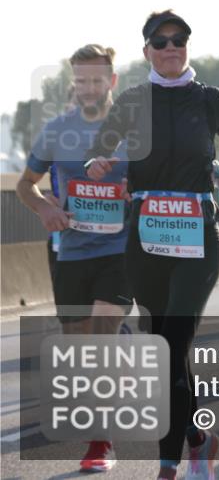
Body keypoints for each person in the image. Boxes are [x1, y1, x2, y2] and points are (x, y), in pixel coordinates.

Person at [85, 11, 219, 480]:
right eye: (161, 41)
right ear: (147, 51)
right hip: (147, 237)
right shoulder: (133, 100)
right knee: (165, 349)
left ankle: (167, 467)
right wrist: (98, 162)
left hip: (198, 234)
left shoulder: (210, 97)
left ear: (187, 46)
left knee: (170, 346)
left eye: (180, 40)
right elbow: (102, 143)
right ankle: (197, 438)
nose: (171, 47)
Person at [17, 44, 132, 473]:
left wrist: (136, 190)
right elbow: (25, 184)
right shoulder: (56, 130)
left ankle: (101, 442)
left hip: (120, 251)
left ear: (112, 81)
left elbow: (163, 180)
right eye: (81, 81)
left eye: (96, 80)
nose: (88, 88)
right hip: (72, 252)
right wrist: (44, 208)